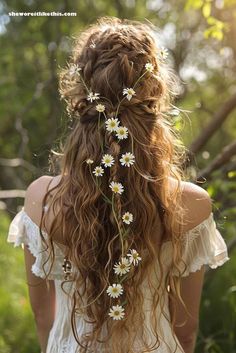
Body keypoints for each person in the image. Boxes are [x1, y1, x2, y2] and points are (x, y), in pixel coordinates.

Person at [7, 17, 229, 353]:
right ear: (155, 96)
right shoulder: (189, 203)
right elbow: (185, 329)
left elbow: (43, 317)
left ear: (80, 94)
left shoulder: (42, 198)